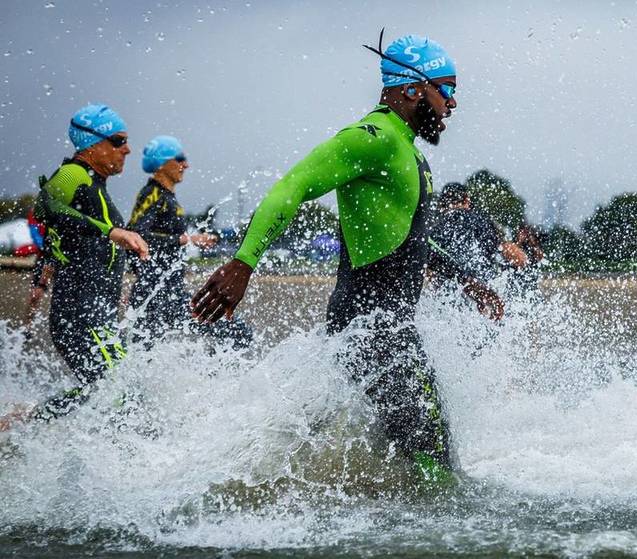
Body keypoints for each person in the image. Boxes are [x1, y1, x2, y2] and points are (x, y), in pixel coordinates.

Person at [191, 32, 503, 481]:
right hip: (373, 327)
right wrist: (243, 263)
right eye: (447, 90)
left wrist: (467, 280)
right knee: (435, 457)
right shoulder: (369, 139)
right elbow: (291, 186)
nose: (452, 104)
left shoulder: (407, 152)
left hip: (382, 326)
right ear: (414, 88)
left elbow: (413, 239)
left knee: (407, 453)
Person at [25, 104, 149, 422]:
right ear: (92, 144)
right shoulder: (72, 174)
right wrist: (111, 231)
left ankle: (30, 420)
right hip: (81, 315)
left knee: (111, 394)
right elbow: (44, 207)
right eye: (119, 140)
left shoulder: (95, 186)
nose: (128, 149)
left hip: (95, 312)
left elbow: (60, 237)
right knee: (122, 396)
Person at [127, 136, 250, 348]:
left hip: (169, 291)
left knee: (236, 333)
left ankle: (208, 379)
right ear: (161, 164)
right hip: (156, 294)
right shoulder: (152, 194)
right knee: (237, 333)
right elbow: (135, 236)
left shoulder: (167, 197)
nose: (186, 165)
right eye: (180, 158)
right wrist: (187, 239)